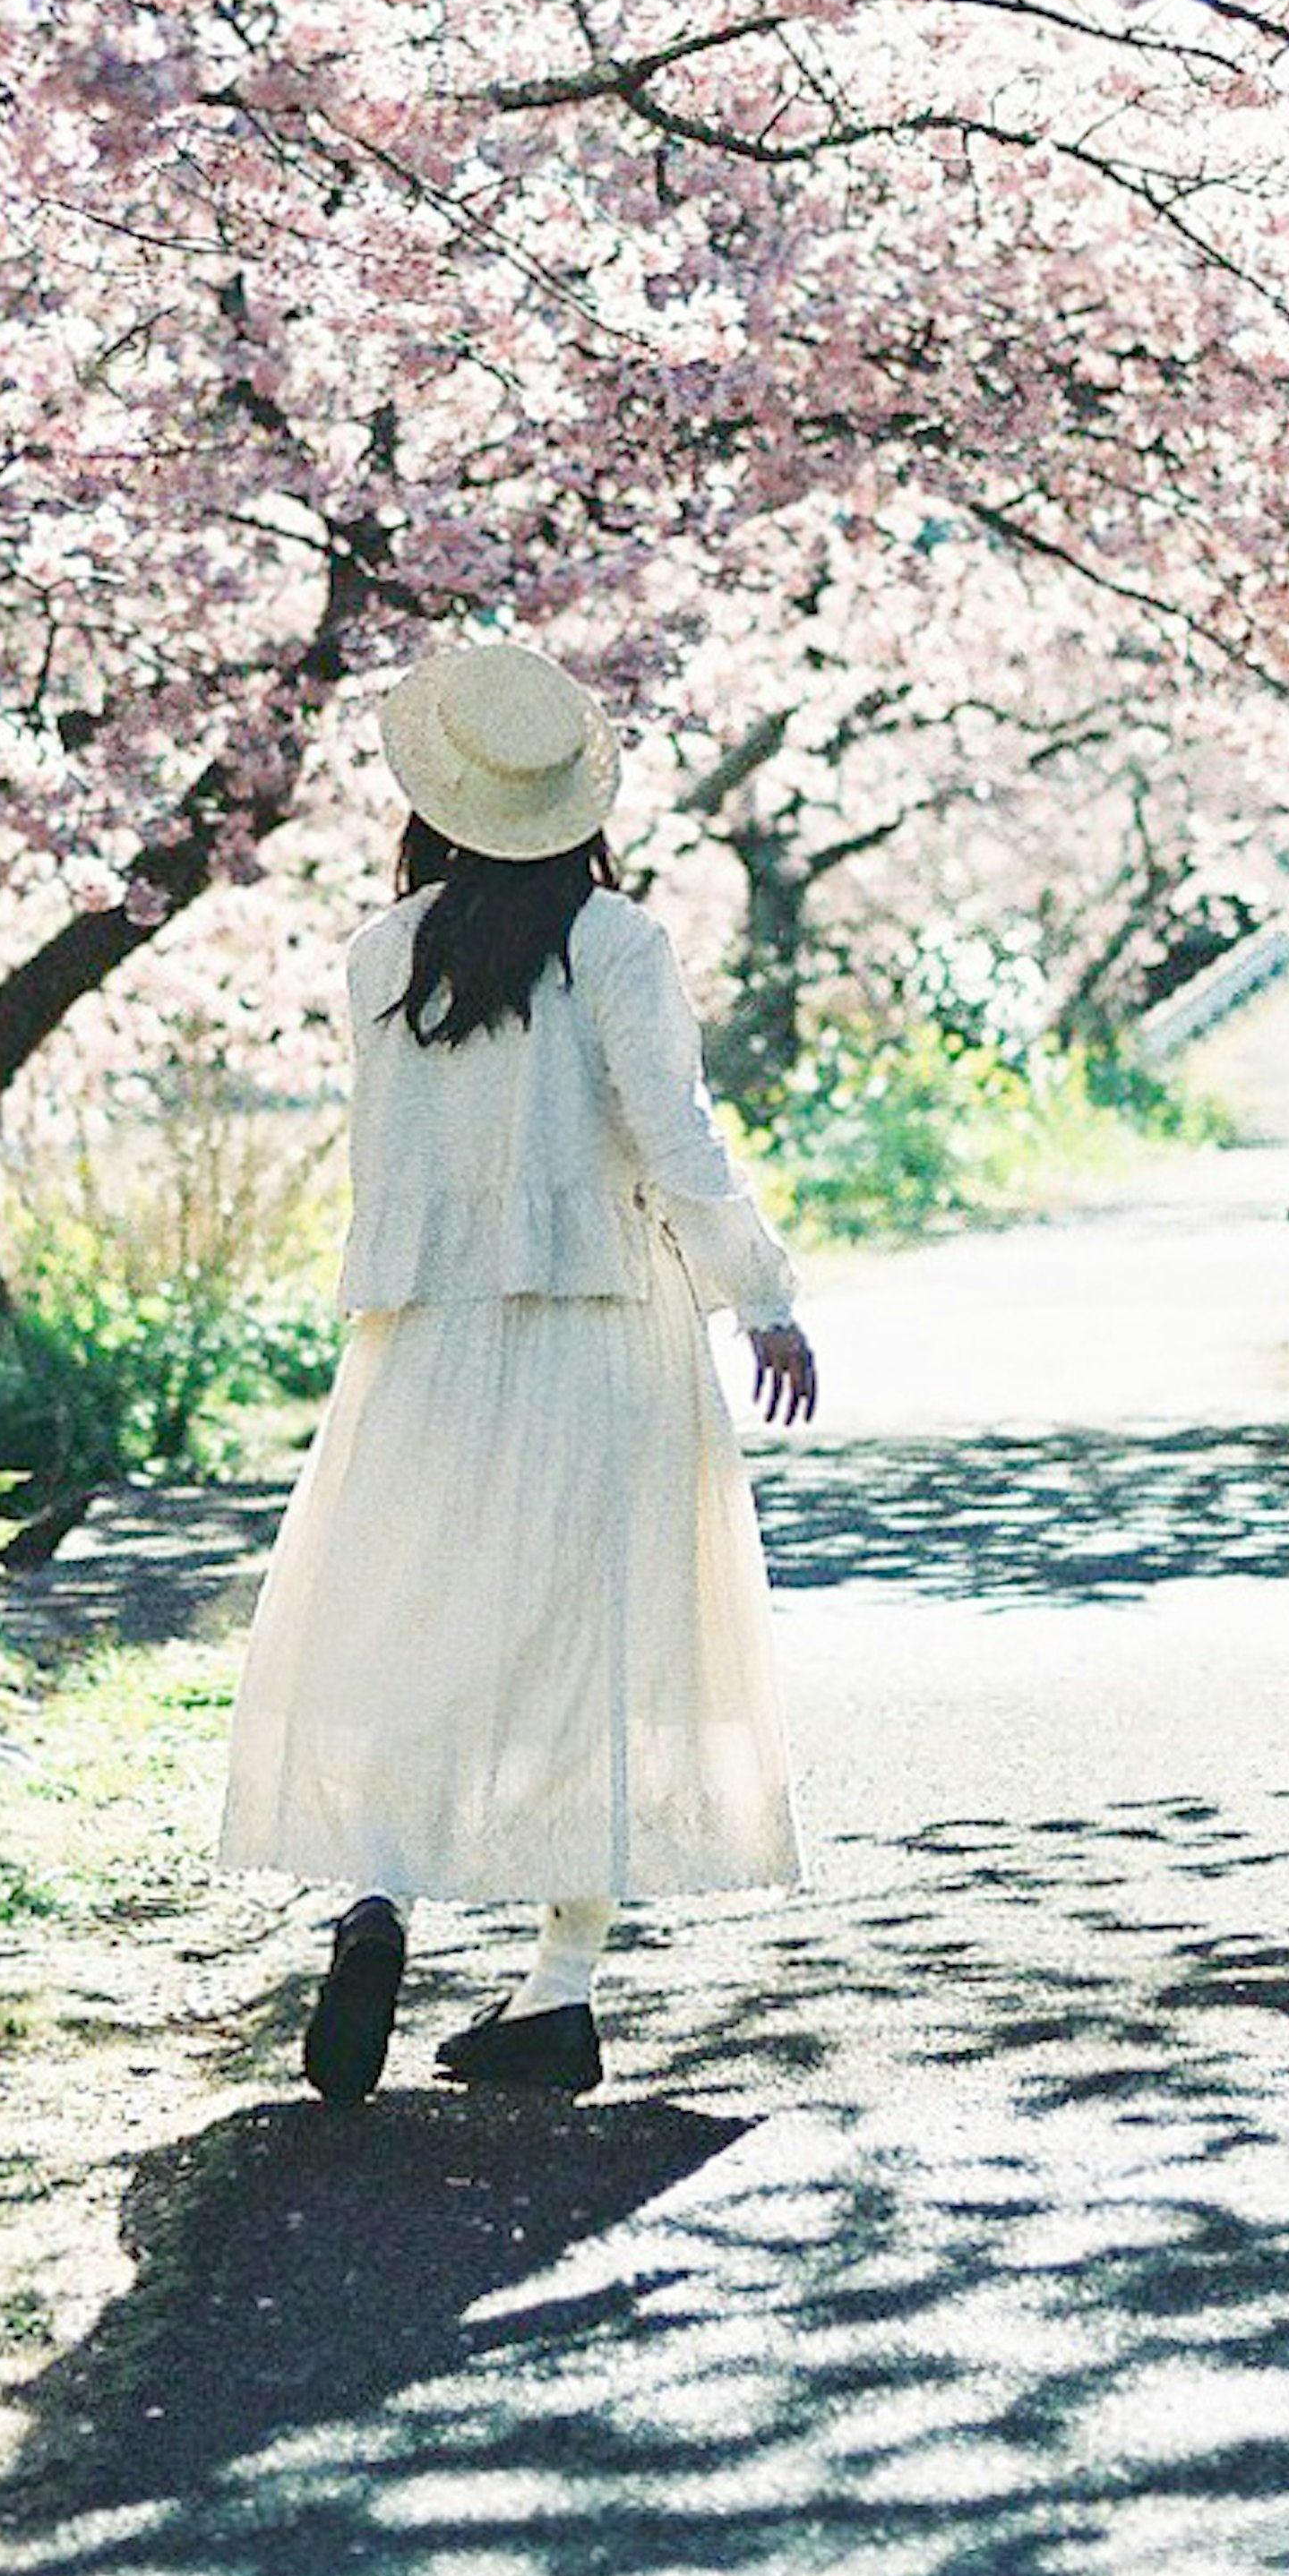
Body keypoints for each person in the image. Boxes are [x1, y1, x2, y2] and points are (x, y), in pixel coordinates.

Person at [219, 635, 817, 2104]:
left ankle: (380, 1893)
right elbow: (675, 1139)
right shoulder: (616, 944)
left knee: (417, 1609)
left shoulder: (382, 954)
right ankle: (558, 1986)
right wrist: (765, 1299)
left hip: (425, 1334)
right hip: (598, 1325)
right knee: (591, 1637)